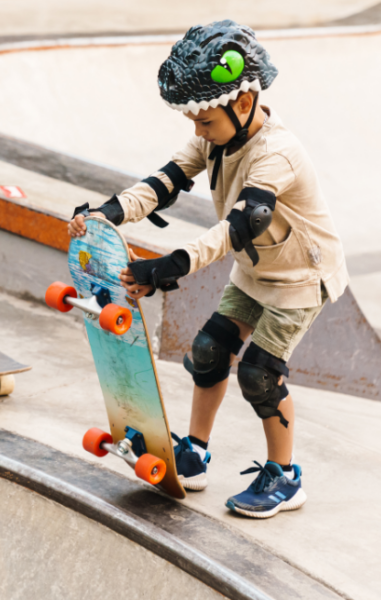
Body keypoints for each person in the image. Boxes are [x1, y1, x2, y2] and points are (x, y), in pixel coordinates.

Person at [68, 21, 348, 518]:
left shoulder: (277, 153)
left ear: (243, 104)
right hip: (255, 272)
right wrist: (105, 215)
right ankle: (194, 452)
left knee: (260, 373)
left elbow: (238, 227)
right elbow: (162, 183)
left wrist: (171, 266)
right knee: (208, 350)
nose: (198, 130)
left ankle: (284, 477)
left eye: (205, 120)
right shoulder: (215, 136)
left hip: (300, 278)